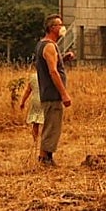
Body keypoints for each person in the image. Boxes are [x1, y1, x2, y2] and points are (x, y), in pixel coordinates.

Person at [34, 13, 72, 165]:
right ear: (52, 28)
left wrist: (63, 58)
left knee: (50, 125)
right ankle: (45, 159)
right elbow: (53, 71)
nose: (63, 28)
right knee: (52, 127)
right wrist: (64, 94)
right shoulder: (49, 46)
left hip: (47, 92)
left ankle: (45, 157)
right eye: (60, 25)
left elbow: (53, 63)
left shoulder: (43, 44)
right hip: (52, 94)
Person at [18, 70, 44, 145]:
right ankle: (44, 140)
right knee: (46, 121)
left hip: (35, 100)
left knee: (35, 122)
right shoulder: (47, 76)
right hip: (45, 99)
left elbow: (28, 91)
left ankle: (35, 141)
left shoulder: (32, 77)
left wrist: (22, 102)